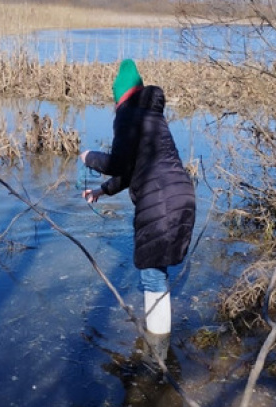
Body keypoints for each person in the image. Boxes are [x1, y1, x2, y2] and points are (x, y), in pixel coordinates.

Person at [80, 59, 196, 337]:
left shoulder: (127, 116)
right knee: (158, 267)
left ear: (120, 96)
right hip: (182, 195)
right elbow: (133, 169)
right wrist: (101, 191)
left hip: (159, 201)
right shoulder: (153, 118)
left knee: (152, 273)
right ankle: (160, 345)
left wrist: (88, 157)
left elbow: (117, 164)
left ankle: (156, 348)